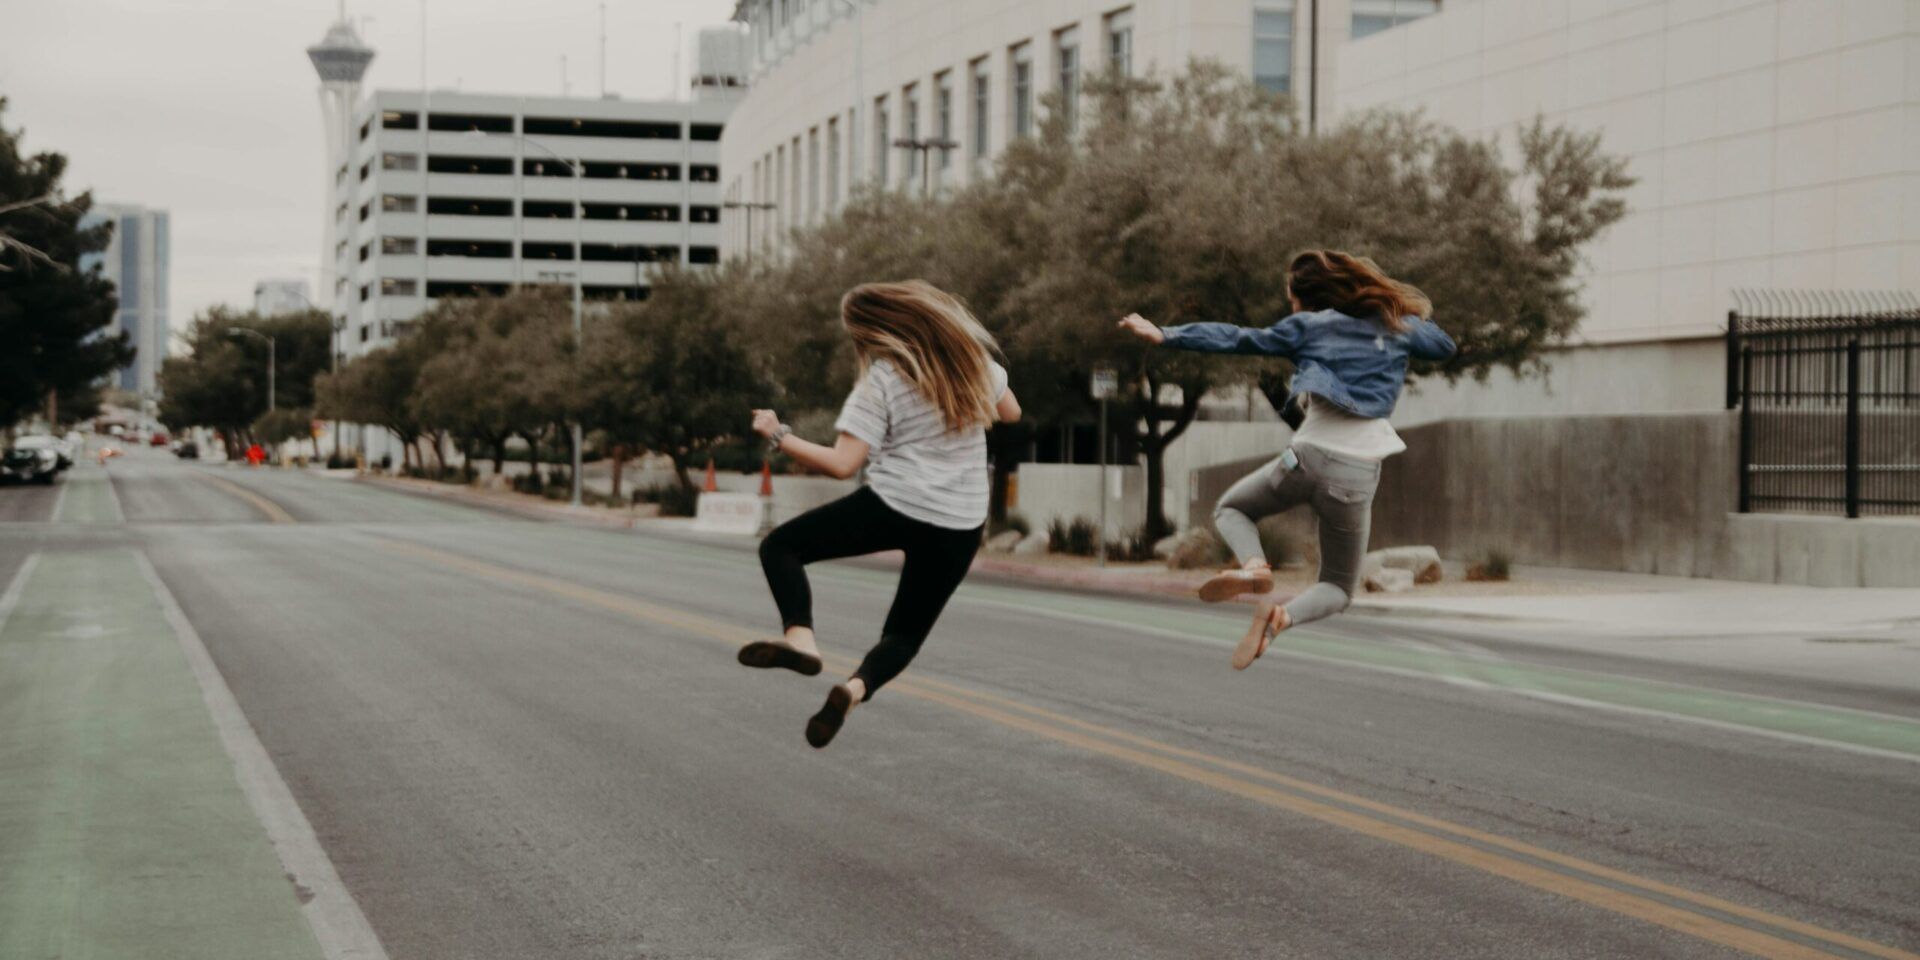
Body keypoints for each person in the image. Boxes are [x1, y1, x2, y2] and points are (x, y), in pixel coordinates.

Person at [1118, 250, 1455, 670]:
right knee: (1336, 588)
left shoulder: (1306, 327)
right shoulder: (1395, 326)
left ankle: (1255, 566)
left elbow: (1237, 338)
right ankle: (1280, 619)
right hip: (1355, 477)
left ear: (1306, 298)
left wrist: (1167, 334)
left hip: (1305, 459)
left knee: (1233, 508)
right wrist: (1397, 312)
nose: (1291, 305)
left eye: (1291, 297)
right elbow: (1444, 346)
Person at [739, 279, 1021, 748]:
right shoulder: (976, 365)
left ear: (872, 334)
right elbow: (1010, 413)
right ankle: (853, 689)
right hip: (961, 523)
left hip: (896, 505)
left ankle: (802, 639)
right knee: (904, 633)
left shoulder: (884, 382)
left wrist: (777, 433)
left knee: (781, 546)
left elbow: (842, 464)